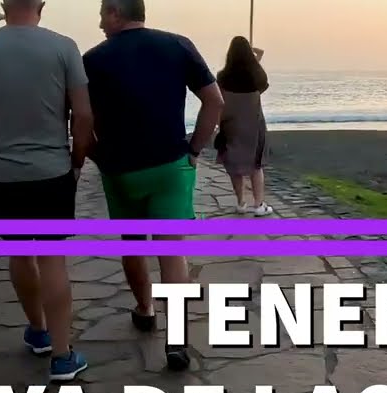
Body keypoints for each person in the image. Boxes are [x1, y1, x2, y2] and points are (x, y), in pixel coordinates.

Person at [0, 0, 93, 382]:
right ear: (41, 5)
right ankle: (63, 356)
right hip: (51, 169)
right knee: (52, 257)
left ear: (2, 5)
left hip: (3, 172)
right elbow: (82, 115)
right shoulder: (63, 47)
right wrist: (77, 160)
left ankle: (39, 330)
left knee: (20, 251)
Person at [83, 0, 224, 370]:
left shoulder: (93, 59)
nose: (100, 24)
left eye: (102, 15)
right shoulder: (178, 45)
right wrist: (194, 149)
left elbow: (82, 120)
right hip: (169, 165)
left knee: (132, 245)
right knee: (171, 253)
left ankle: (145, 310)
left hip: (121, 170)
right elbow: (214, 101)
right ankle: (177, 341)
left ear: (115, 12)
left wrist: (97, 157)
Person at [216, 37, 272, 216]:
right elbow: (260, 54)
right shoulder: (257, 77)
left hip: (231, 126)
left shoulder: (222, 77)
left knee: (234, 166)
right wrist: (251, 50)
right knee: (256, 165)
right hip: (254, 126)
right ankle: (259, 204)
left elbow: (219, 101)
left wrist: (217, 125)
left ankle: (241, 202)